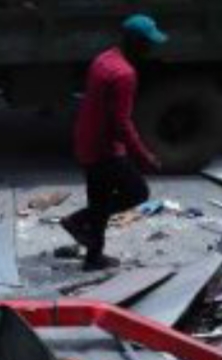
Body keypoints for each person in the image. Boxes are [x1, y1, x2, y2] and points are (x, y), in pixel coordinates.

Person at [62, 15, 165, 271]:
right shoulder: (125, 74)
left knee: (100, 199)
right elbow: (122, 124)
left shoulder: (103, 59)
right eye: (149, 43)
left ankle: (93, 256)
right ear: (137, 42)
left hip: (87, 140)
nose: (152, 48)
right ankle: (77, 221)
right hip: (104, 149)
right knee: (138, 192)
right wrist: (145, 157)